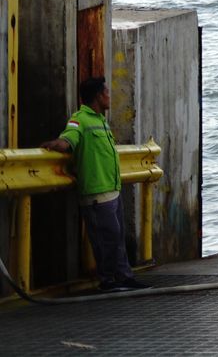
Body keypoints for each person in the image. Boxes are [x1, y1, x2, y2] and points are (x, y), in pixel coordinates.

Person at [41, 77, 146, 292]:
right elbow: (69, 139)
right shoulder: (80, 119)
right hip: (97, 192)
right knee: (107, 239)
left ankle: (125, 277)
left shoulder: (100, 120)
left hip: (111, 189)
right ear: (99, 95)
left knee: (117, 238)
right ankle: (108, 280)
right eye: (107, 92)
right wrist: (56, 144)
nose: (110, 96)